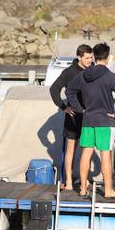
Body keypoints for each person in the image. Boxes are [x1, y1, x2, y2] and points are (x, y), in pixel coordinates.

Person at [66, 42, 115, 200]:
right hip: (105, 121)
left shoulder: (83, 75)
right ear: (107, 58)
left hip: (87, 120)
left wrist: (80, 109)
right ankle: (108, 190)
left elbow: (69, 91)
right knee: (106, 155)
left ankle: (82, 188)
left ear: (94, 56)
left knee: (86, 153)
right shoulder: (110, 76)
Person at [49, 44, 93, 190]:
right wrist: (64, 107)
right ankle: (68, 182)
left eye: (91, 57)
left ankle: (84, 181)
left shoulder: (92, 70)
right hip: (73, 115)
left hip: (88, 115)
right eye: (87, 58)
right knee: (71, 148)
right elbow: (54, 89)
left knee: (87, 148)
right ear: (79, 57)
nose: (90, 60)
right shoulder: (69, 72)